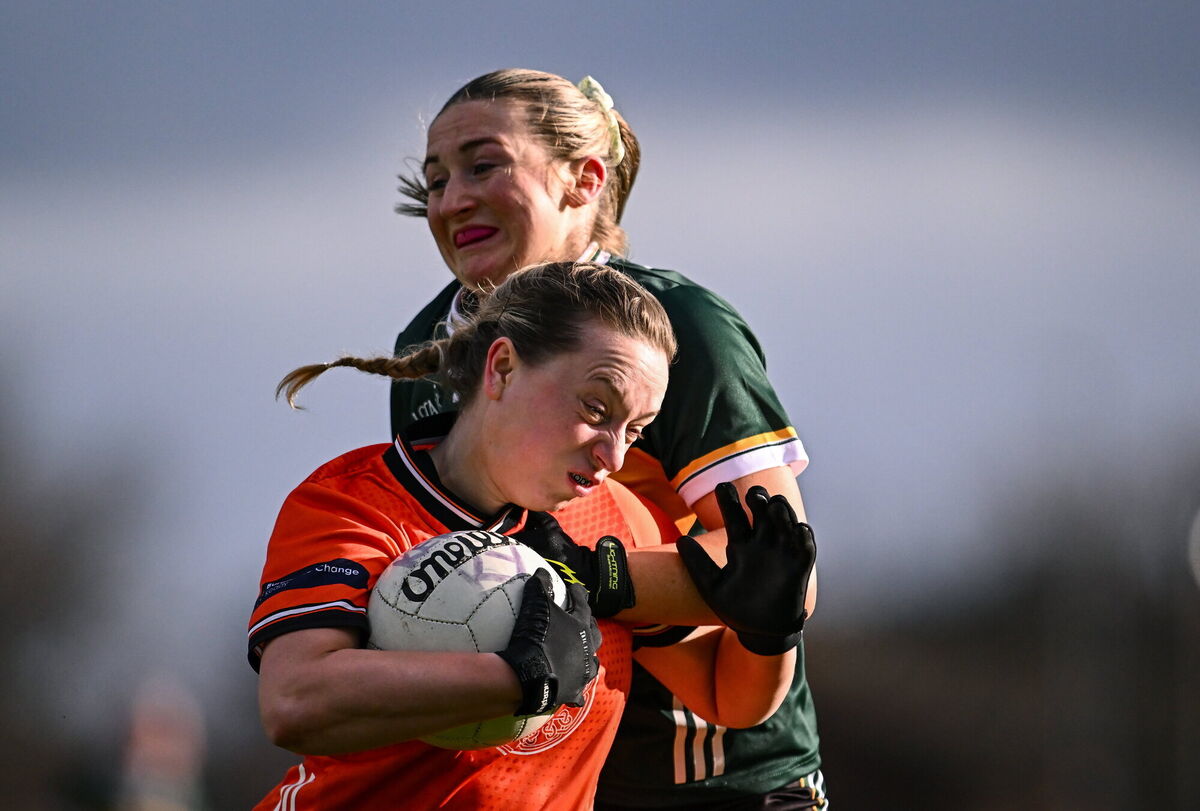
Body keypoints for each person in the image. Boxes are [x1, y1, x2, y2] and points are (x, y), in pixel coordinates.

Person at [390, 69, 827, 808]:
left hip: (715, 779)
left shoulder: (679, 326)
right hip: (533, 783)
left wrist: (586, 573)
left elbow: (773, 572)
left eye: (484, 164)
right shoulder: (426, 349)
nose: (452, 198)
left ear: (585, 179)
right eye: (435, 180)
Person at [249, 262, 816, 810]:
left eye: (636, 431)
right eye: (597, 408)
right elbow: (295, 699)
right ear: (501, 369)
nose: (614, 455)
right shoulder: (353, 503)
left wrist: (770, 633)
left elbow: (729, 697)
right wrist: (515, 677)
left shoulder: (617, 519)